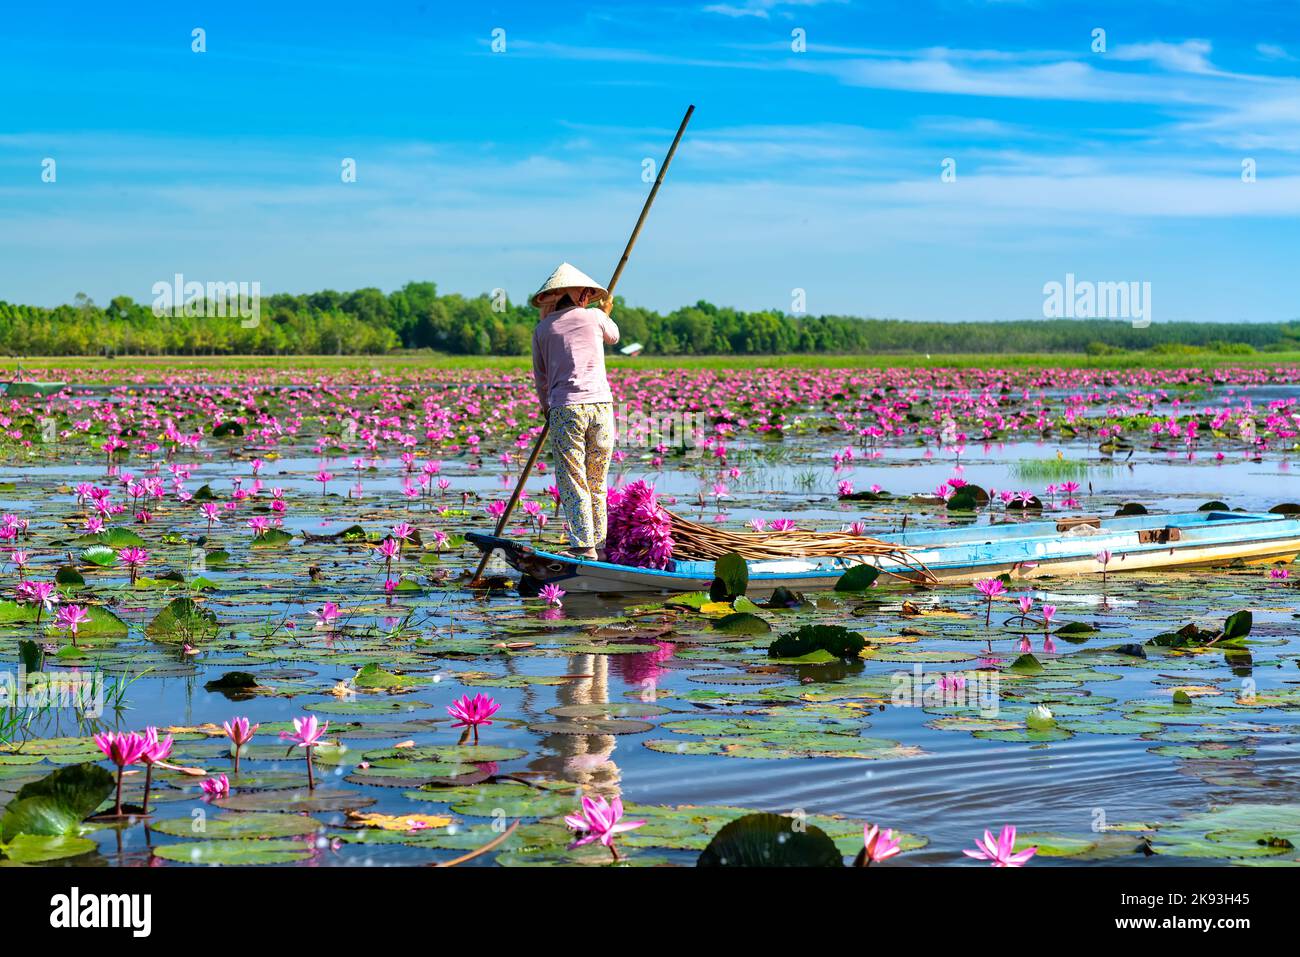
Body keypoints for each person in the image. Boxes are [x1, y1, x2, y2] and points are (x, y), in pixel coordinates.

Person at [530, 263, 620, 560]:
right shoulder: (595, 318)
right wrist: (605, 314)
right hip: (601, 408)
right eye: (584, 293)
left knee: (574, 480)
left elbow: (541, 378)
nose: (586, 297)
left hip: (566, 408)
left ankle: (586, 546)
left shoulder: (543, 329)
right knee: (596, 479)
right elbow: (614, 336)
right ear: (573, 292)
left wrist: (547, 409)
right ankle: (601, 544)